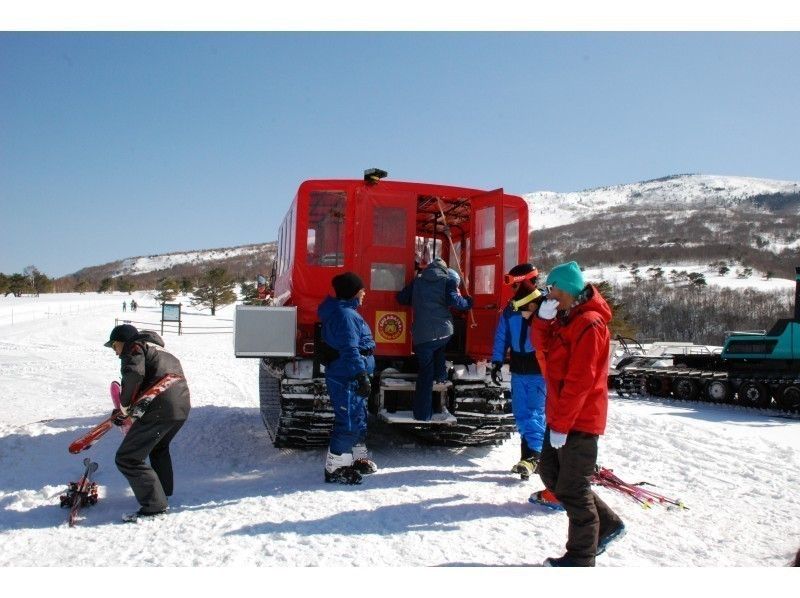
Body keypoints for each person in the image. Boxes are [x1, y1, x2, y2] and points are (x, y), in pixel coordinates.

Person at [531, 261, 624, 567]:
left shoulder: (590, 323)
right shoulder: (566, 318)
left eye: (552, 289)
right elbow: (543, 352)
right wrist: (542, 322)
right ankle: (607, 524)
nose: (549, 295)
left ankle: (581, 558)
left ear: (566, 290)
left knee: (573, 488)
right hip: (560, 416)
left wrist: (562, 425)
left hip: (579, 420)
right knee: (550, 473)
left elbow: (580, 380)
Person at [105, 324, 191, 519]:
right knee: (158, 449)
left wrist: (125, 404)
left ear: (122, 341)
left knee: (128, 458)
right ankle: (162, 493)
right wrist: (125, 410)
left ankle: (154, 505)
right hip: (180, 408)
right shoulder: (160, 351)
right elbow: (152, 381)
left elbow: (134, 374)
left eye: (114, 346)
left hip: (160, 408)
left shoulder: (134, 348)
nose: (115, 352)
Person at [317, 272, 377, 485]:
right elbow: (350, 349)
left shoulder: (347, 312)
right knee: (349, 422)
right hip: (347, 376)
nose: (364, 293)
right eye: (361, 290)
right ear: (352, 292)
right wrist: (360, 375)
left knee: (358, 419)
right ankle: (335, 468)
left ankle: (356, 459)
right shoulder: (345, 315)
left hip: (350, 374)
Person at [397, 257, 472, 421]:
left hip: (422, 336)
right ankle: (441, 376)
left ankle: (423, 413)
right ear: (445, 269)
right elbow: (456, 301)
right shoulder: (448, 280)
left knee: (425, 371)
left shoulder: (418, 281)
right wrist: (468, 302)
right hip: (443, 332)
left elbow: (401, 298)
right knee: (439, 348)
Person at [490, 263, 547, 480]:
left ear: (526, 283)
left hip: (538, 369)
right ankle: (529, 457)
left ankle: (534, 457)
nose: (512, 292)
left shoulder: (545, 307)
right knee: (521, 413)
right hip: (519, 368)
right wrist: (496, 361)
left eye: (515, 287)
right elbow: (501, 335)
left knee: (534, 413)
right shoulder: (511, 308)